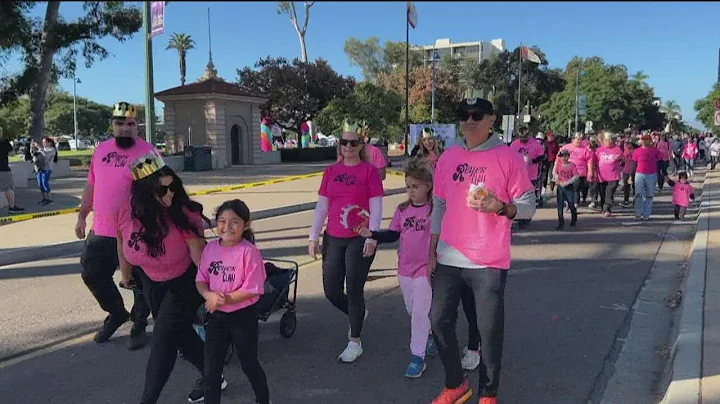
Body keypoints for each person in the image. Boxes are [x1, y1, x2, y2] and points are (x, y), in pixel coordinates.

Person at [429, 98, 536, 404]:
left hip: (488, 260)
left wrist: (501, 207)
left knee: (488, 333)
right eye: (464, 115)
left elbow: (529, 206)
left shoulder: (508, 156)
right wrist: (431, 250)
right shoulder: (449, 156)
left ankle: (489, 394)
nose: (470, 120)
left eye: (477, 115)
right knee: (438, 321)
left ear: (492, 119)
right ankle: (456, 384)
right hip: (449, 257)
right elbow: (438, 203)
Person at [115, 152, 215, 403]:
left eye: (173, 187)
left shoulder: (183, 215)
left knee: (163, 341)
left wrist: (212, 295)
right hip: (151, 281)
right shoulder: (126, 213)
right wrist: (126, 274)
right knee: (179, 334)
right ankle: (212, 375)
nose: (170, 194)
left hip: (186, 280)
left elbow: (200, 260)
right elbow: (121, 241)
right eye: (163, 190)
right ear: (145, 191)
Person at [74, 102, 152, 349]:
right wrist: (82, 215)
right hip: (103, 230)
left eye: (131, 124)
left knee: (141, 282)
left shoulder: (144, 153)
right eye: (120, 124)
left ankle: (138, 325)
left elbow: (157, 191)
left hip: (135, 232)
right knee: (92, 274)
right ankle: (117, 313)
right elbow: (92, 185)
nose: (126, 129)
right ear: (112, 125)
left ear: (137, 125)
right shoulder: (102, 151)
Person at [309, 120, 384, 363]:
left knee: (353, 289)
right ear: (339, 145)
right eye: (344, 142)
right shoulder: (330, 171)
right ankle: (358, 314)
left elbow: (376, 205)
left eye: (354, 142)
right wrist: (313, 236)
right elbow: (322, 207)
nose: (348, 147)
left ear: (361, 145)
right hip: (333, 238)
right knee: (331, 290)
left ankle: (355, 341)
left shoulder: (369, 171)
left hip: (359, 238)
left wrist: (373, 236)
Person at [356, 159, 435, 378]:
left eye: (415, 187)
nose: (411, 191)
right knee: (413, 310)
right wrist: (372, 234)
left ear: (427, 186)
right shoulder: (402, 210)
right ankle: (429, 335)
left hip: (424, 269)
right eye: (408, 186)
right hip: (405, 268)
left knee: (419, 313)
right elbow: (392, 235)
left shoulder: (434, 210)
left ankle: (417, 357)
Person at [197, 199, 271, 404]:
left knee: (248, 363)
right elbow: (201, 280)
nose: (227, 227)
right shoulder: (210, 248)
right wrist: (209, 296)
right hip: (216, 317)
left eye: (234, 222)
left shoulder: (249, 252)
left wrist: (221, 300)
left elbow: (252, 289)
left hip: (242, 317)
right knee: (211, 368)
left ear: (245, 225)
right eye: (222, 221)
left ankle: (263, 399)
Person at [510, 127, 545, 217]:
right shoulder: (514, 144)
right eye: (521, 138)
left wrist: (533, 161)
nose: (523, 140)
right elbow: (509, 158)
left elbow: (542, 156)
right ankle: (520, 216)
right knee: (518, 196)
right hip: (517, 176)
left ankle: (527, 217)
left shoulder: (535, 144)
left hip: (531, 175)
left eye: (524, 138)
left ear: (528, 135)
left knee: (529, 197)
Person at [632, 134, 661, 220]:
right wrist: (631, 175)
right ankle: (638, 212)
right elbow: (634, 164)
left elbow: (660, 162)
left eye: (647, 140)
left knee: (649, 194)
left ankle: (646, 213)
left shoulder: (655, 151)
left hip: (651, 174)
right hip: (639, 174)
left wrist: (663, 173)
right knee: (638, 194)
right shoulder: (636, 151)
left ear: (650, 141)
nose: (645, 141)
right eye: (643, 139)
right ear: (641, 141)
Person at [595, 133, 624, 217]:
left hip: (613, 175)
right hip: (601, 175)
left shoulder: (617, 149)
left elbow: (623, 159)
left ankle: (607, 208)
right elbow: (594, 161)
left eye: (611, 140)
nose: (609, 142)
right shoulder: (599, 150)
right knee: (602, 192)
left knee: (610, 192)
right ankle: (603, 207)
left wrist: (620, 159)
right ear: (603, 141)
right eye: (607, 140)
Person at [560, 133, 593, 206]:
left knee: (576, 188)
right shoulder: (566, 147)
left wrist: (590, 171)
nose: (579, 141)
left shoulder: (585, 149)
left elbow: (589, 161)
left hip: (580, 172)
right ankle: (569, 201)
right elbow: (559, 158)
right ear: (573, 139)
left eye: (580, 139)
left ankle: (575, 203)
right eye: (577, 139)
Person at [0, 128, 25, 214]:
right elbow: (12, 154)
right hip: (3, 169)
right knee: (8, 188)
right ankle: (12, 206)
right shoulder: (4, 141)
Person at [553, 149, 579, 230]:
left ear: (568, 157)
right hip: (560, 187)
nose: (563, 158)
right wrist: (557, 179)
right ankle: (561, 222)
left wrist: (567, 182)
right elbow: (555, 173)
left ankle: (573, 220)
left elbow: (576, 176)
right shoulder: (559, 165)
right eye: (561, 157)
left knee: (571, 204)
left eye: (565, 156)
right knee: (560, 205)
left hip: (569, 187)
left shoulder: (572, 165)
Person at [34, 137, 57, 205]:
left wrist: (39, 148)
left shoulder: (52, 150)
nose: (43, 144)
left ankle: (49, 199)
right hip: (39, 169)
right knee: (40, 184)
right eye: (42, 142)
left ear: (49, 143)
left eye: (45, 142)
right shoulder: (43, 149)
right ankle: (44, 198)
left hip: (47, 169)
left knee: (45, 183)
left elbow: (46, 155)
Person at [620, 142, 638, 208]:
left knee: (634, 187)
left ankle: (635, 201)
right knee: (626, 187)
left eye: (630, 147)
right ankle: (626, 200)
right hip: (626, 171)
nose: (628, 148)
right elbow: (623, 161)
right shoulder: (626, 152)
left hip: (634, 172)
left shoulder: (636, 152)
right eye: (627, 147)